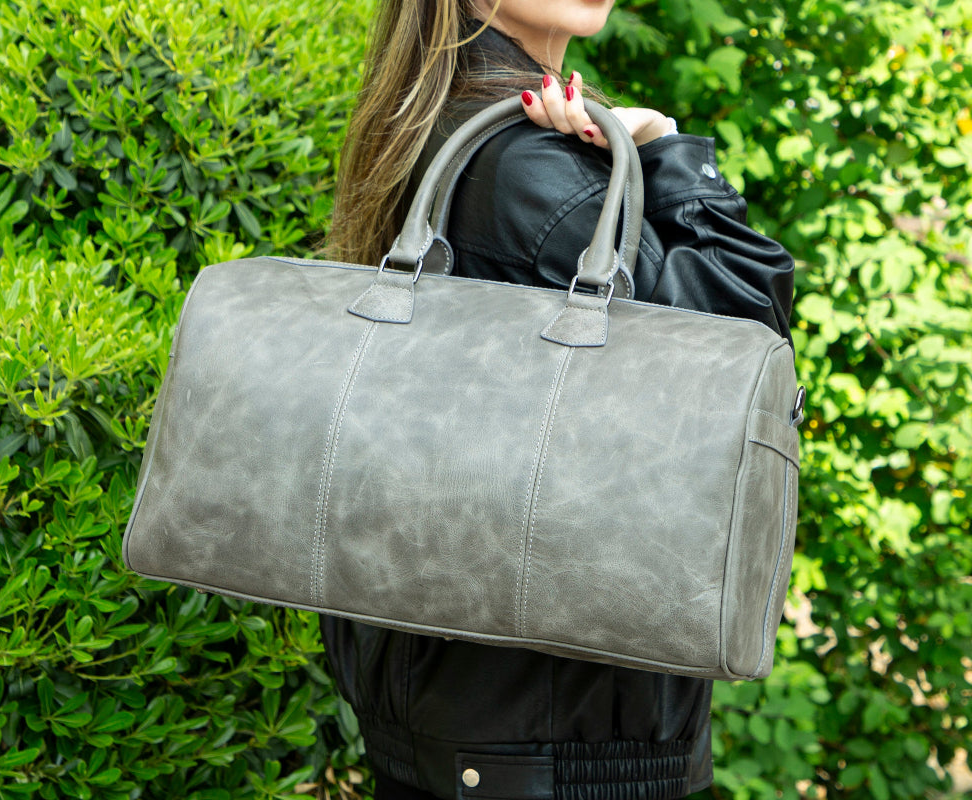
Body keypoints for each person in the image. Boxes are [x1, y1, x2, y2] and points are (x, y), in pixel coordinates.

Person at [323, 2, 795, 799]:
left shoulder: (439, 126)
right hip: (555, 745)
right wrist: (666, 146)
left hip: (470, 721)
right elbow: (744, 337)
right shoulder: (528, 166)